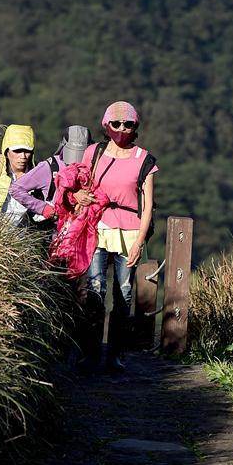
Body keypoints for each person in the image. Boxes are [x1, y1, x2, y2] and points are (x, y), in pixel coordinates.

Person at [77, 101, 157, 372]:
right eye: (117, 123)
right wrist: (78, 197)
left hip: (130, 231)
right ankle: (90, 352)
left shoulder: (143, 159)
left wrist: (139, 242)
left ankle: (114, 355)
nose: (122, 129)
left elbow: (147, 206)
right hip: (97, 227)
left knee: (123, 294)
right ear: (106, 125)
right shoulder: (93, 153)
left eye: (128, 124)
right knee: (95, 291)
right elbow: (79, 184)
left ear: (136, 127)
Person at [9, 125, 93, 225]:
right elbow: (16, 189)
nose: (75, 162)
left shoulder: (95, 166)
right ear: (63, 145)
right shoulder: (49, 167)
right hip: (51, 232)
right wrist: (43, 208)